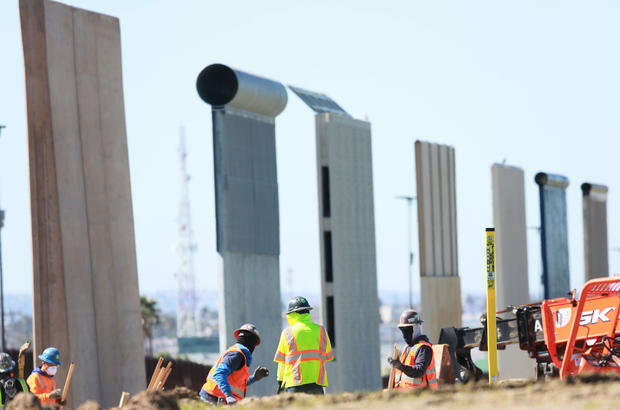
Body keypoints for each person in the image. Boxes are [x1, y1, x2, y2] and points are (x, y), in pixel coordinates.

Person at [274, 296, 334, 395]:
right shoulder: (321, 330)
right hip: (316, 384)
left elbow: (282, 363)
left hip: (294, 384)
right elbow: (328, 356)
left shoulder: (287, 333)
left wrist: (280, 383)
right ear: (308, 312)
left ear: (292, 314)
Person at [200, 324, 270, 405]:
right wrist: (228, 395)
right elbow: (219, 373)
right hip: (213, 399)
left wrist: (253, 378)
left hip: (217, 398)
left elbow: (236, 383)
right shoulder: (237, 355)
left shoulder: (240, 356)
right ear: (252, 343)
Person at [387, 309, 438, 389]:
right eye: (402, 330)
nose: (404, 333)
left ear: (416, 327)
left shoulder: (424, 348)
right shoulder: (407, 347)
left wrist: (400, 366)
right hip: (405, 395)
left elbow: (419, 371)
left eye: (407, 329)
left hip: (422, 395)